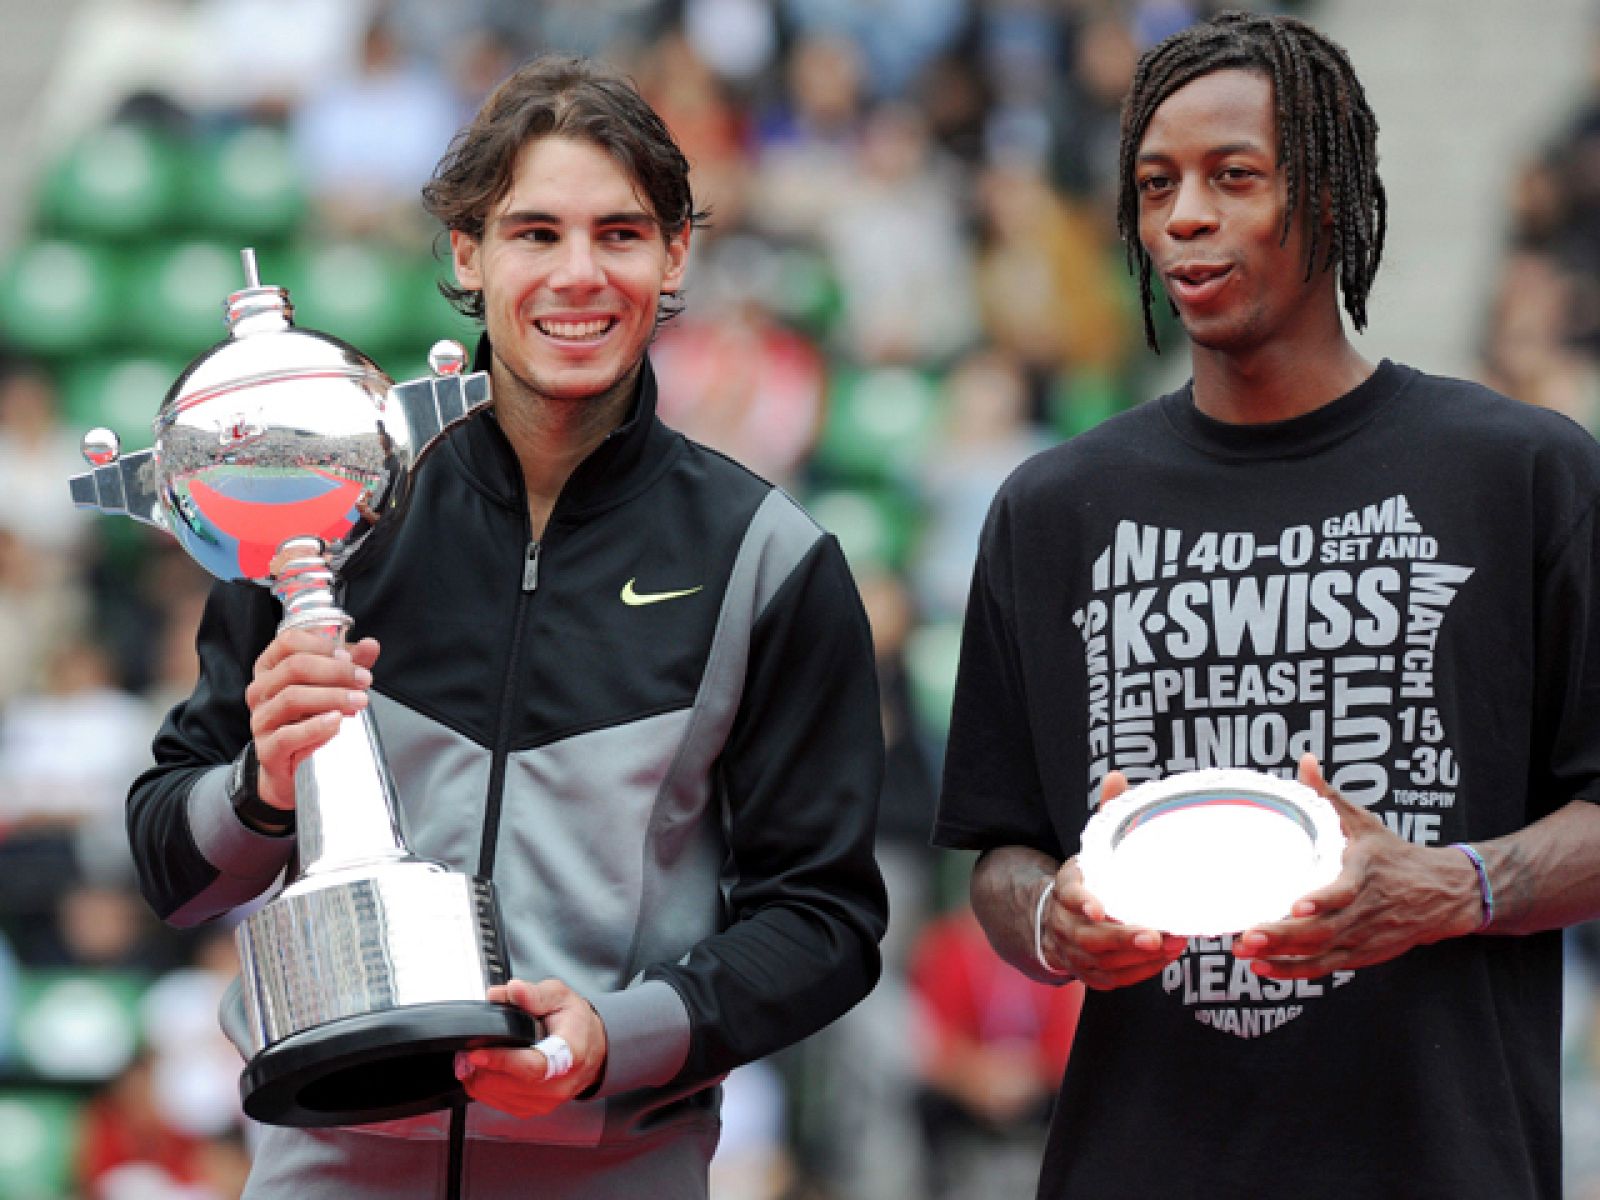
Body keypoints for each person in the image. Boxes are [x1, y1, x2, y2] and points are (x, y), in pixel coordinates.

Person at [126, 54, 887, 1200]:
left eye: (619, 235)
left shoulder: (767, 561)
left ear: (675, 255)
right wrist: (259, 792)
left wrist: (612, 1036)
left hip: (616, 1165)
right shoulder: (316, 500)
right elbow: (171, 872)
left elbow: (825, 922)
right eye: (535, 233)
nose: (578, 275)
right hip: (326, 1160)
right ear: (467, 255)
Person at [932, 11, 1600, 1199]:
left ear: (1332, 195)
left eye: (1232, 177)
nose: (1184, 215)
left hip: (1440, 1165)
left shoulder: (1523, 473)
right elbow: (1002, 853)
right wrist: (1051, 923)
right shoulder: (1050, 510)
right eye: (1155, 184)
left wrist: (1451, 886)